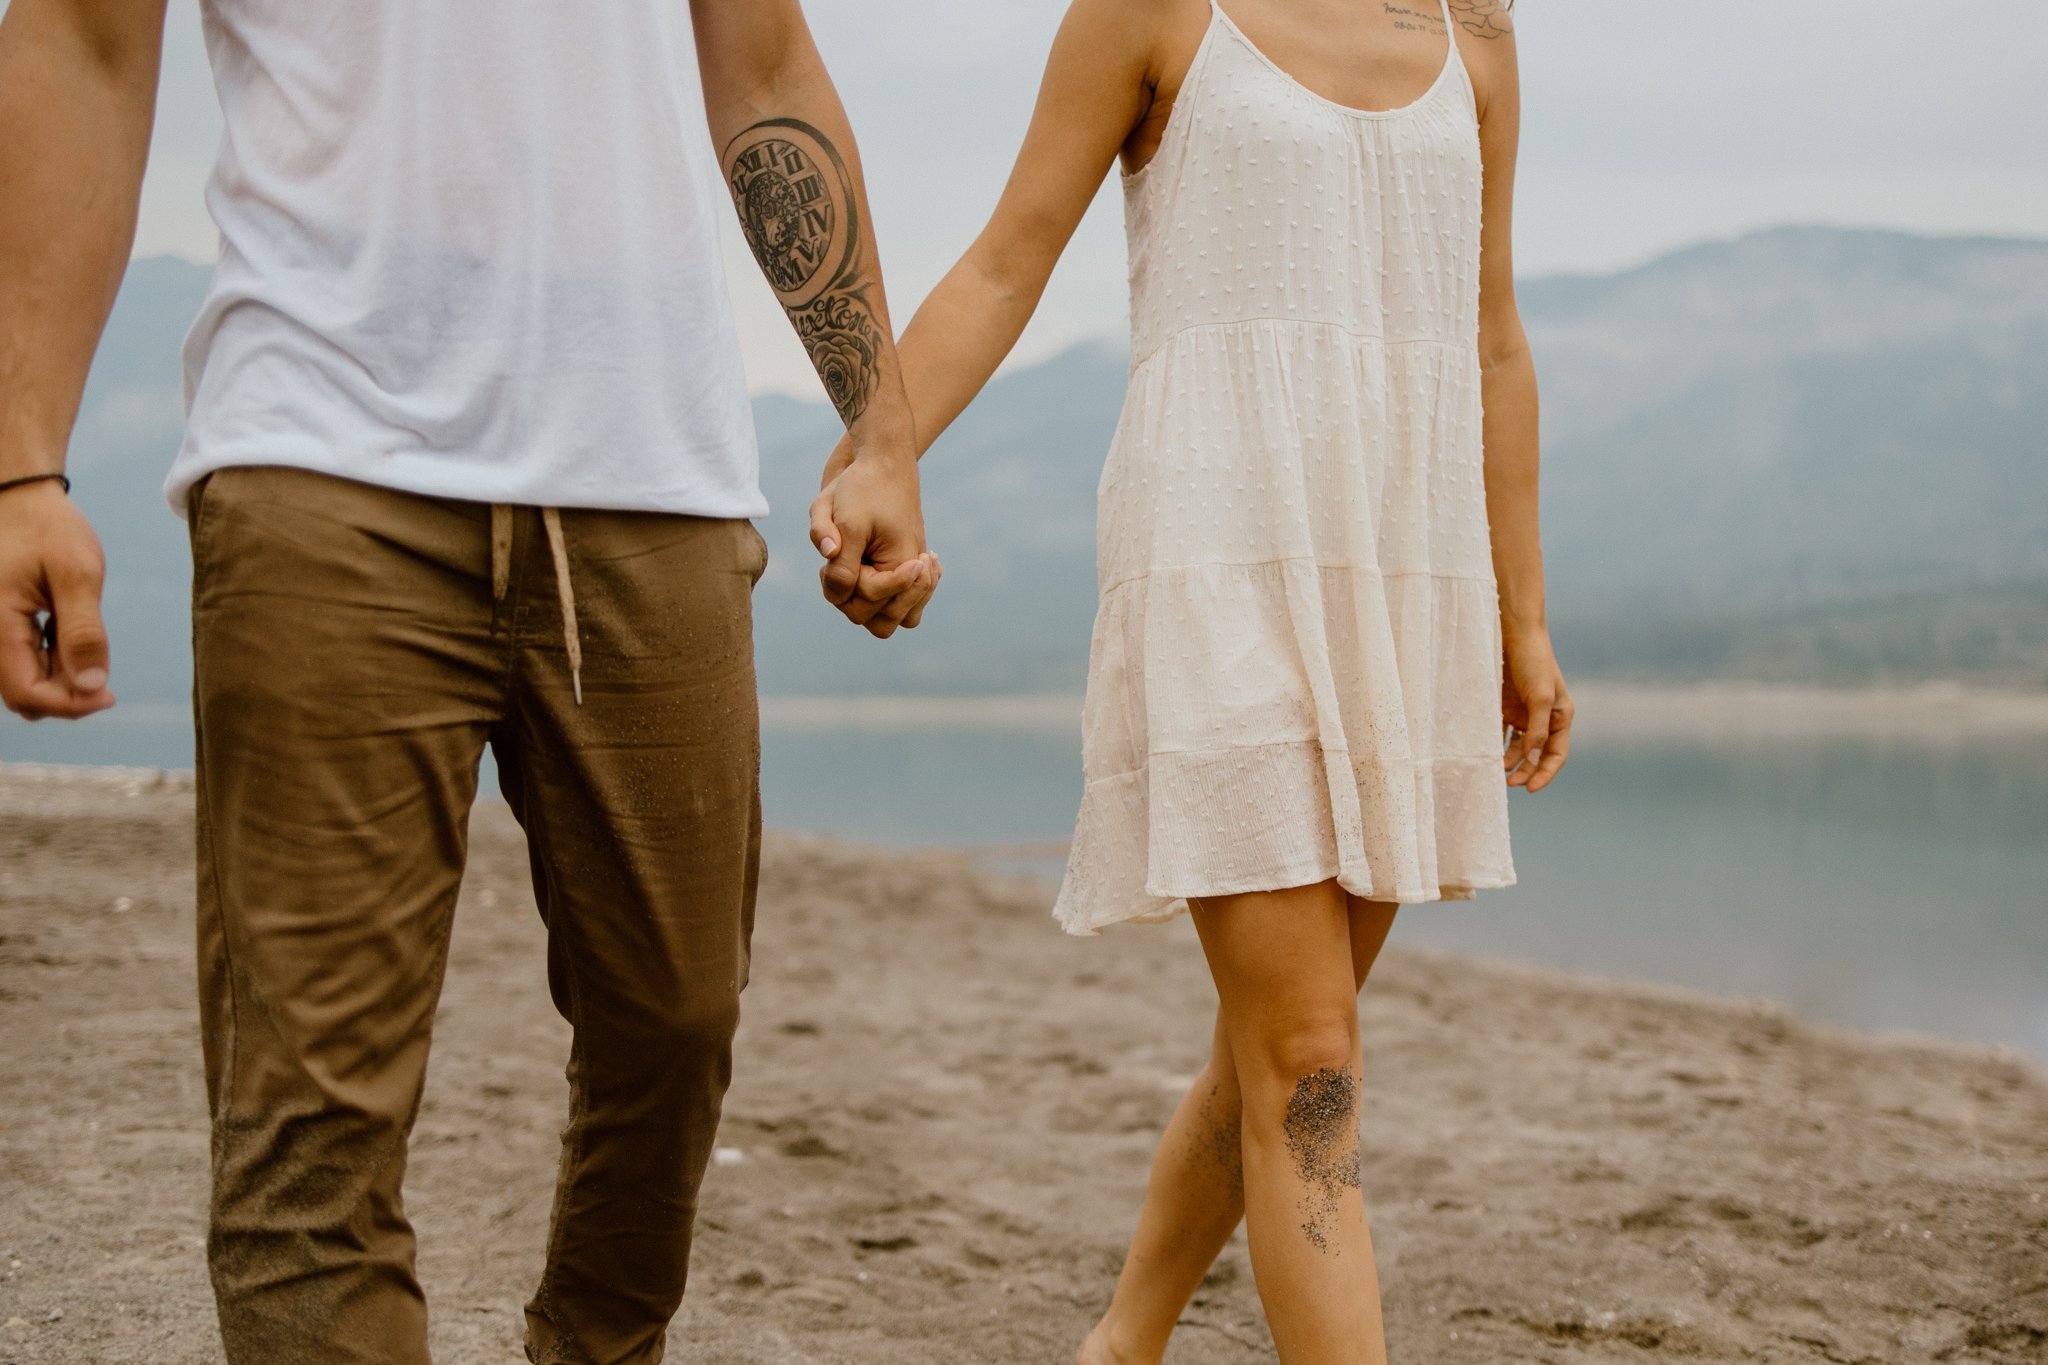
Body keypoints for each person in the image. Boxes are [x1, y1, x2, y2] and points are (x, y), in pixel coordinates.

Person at [0, 1, 938, 1360]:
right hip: (321, 448)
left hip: (647, 455)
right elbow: (83, 39)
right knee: (310, 1121)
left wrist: (880, 424)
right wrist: (24, 458)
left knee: (675, 1021)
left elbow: (767, 60)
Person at [817, 0, 1572, 1359]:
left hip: (1408, 585)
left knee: (1273, 1049)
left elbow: (1494, 334)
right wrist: (885, 451)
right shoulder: (1157, 9)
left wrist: (1523, 616)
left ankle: (1123, 1339)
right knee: (1315, 1068)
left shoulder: (1476, 32)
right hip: (1218, 560)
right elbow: (1005, 261)